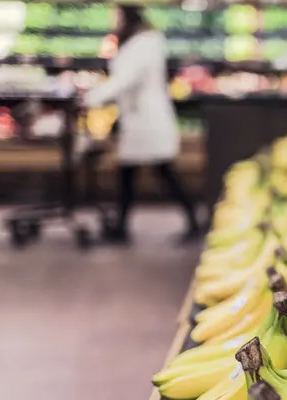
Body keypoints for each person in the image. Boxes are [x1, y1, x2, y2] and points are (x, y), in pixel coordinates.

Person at [83, 5, 200, 244]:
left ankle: (192, 221)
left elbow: (126, 80)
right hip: (139, 119)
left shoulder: (143, 45)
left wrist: (93, 97)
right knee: (132, 173)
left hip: (146, 119)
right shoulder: (143, 43)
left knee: (162, 172)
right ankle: (123, 226)